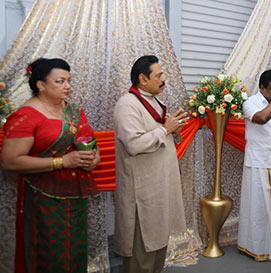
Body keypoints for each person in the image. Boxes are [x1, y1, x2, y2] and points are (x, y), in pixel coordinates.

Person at [0, 58, 100, 273]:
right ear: (41, 85)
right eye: (60, 81)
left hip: (75, 196)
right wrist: (61, 162)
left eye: (69, 81)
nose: (68, 86)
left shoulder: (74, 111)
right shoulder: (25, 116)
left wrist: (93, 159)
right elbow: (9, 160)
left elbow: (90, 141)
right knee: (48, 252)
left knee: (75, 250)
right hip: (42, 199)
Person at [113, 55, 187, 273]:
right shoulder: (128, 105)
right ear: (142, 79)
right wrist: (166, 129)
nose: (164, 79)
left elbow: (161, 135)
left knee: (157, 247)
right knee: (142, 251)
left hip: (159, 187)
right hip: (142, 191)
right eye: (159, 75)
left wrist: (174, 128)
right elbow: (134, 144)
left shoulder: (154, 101)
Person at [237, 69, 271, 262]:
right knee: (257, 209)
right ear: (261, 87)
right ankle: (256, 246)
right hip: (259, 161)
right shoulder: (250, 103)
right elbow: (261, 118)